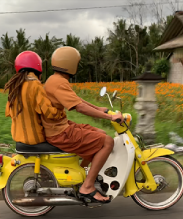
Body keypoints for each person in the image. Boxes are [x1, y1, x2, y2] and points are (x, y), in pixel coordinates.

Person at [43, 47, 124, 204]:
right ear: (70, 64)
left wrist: (98, 108)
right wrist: (110, 117)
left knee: (100, 133)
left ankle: (84, 176)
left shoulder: (55, 80)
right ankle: (87, 187)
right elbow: (79, 107)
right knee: (108, 142)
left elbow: (77, 100)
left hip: (61, 127)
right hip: (60, 132)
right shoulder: (59, 83)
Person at [4, 51, 61, 146]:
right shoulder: (35, 85)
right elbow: (50, 113)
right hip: (35, 139)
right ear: (38, 68)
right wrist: (61, 110)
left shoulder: (14, 87)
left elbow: (9, 112)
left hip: (17, 137)